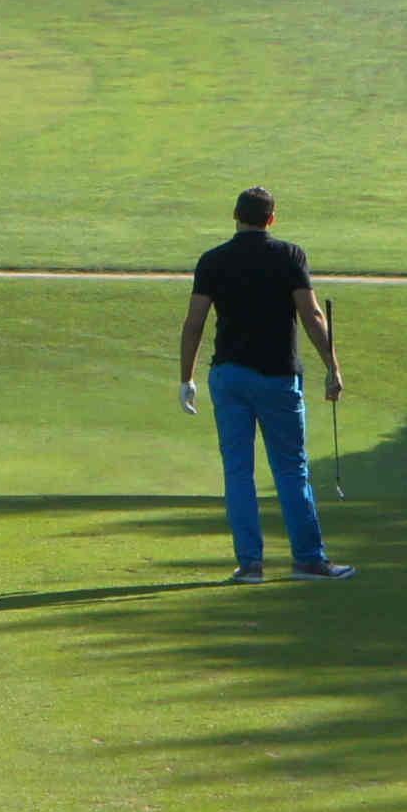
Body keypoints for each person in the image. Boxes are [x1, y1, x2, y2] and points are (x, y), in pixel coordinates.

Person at [174, 186, 353, 583]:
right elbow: (312, 317)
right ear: (271, 219)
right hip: (277, 376)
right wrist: (332, 367)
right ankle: (308, 560)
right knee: (291, 471)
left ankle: (250, 565)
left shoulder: (212, 261)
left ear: (234, 215)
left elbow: (194, 324)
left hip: (229, 376)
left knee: (238, 472)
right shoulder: (290, 256)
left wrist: (186, 378)